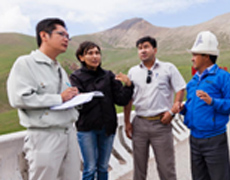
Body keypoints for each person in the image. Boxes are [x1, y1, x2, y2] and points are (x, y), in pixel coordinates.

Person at [6, 18, 81, 180]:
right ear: (44, 36)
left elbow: (63, 99)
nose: (66, 39)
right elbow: (19, 98)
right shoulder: (26, 63)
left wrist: (73, 97)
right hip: (45, 137)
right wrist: (59, 98)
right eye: (61, 34)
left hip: (69, 134)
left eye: (68, 36)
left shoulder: (59, 68)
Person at [180, 31, 230, 180]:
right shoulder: (193, 81)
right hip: (194, 139)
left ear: (206, 56)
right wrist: (183, 109)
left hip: (214, 140)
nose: (192, 58)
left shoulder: (224, 78)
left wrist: (212, 101)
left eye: (195, 54)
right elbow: (193, 107)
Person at [124, 36, 186, 180]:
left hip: (161, 124)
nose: (143, 51)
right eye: (139, 48)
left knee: (166, 168)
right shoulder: (133, 71)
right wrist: (127, 122)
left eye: (146, 47)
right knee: (139, 169)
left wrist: (172, 112)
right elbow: (128, 99)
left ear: (155, 50)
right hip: (139, 123)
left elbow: (181, 88)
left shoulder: (168, 68)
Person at [69, 41, 134, 180]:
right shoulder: (76, 77)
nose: (95, 56)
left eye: (97, 53)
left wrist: (128, 85)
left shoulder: (108, 75)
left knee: (103, 166)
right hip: (86, 128)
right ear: (81, 57)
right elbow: (78, 103)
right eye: (90, 53)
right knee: (90, 168)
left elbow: (121, 100)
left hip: (107, 127)